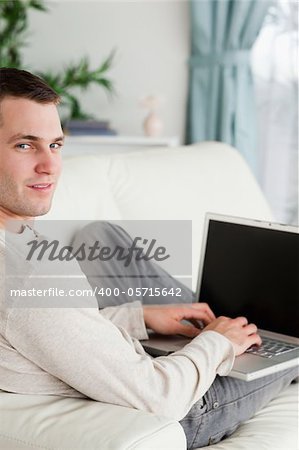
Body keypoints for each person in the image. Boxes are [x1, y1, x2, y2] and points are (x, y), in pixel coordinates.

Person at [0, 68, 297, 449]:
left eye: (55, 145)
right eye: (25, 145)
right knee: (290, 341)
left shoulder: (18, 237)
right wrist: (216, 345)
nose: (50, 165)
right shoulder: (28, 279)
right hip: (181, 402)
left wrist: (140, 317)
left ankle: (234, 325)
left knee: (99, 233)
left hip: (105, 365)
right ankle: (252, 334)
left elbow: (43, 332)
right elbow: (160, 396)